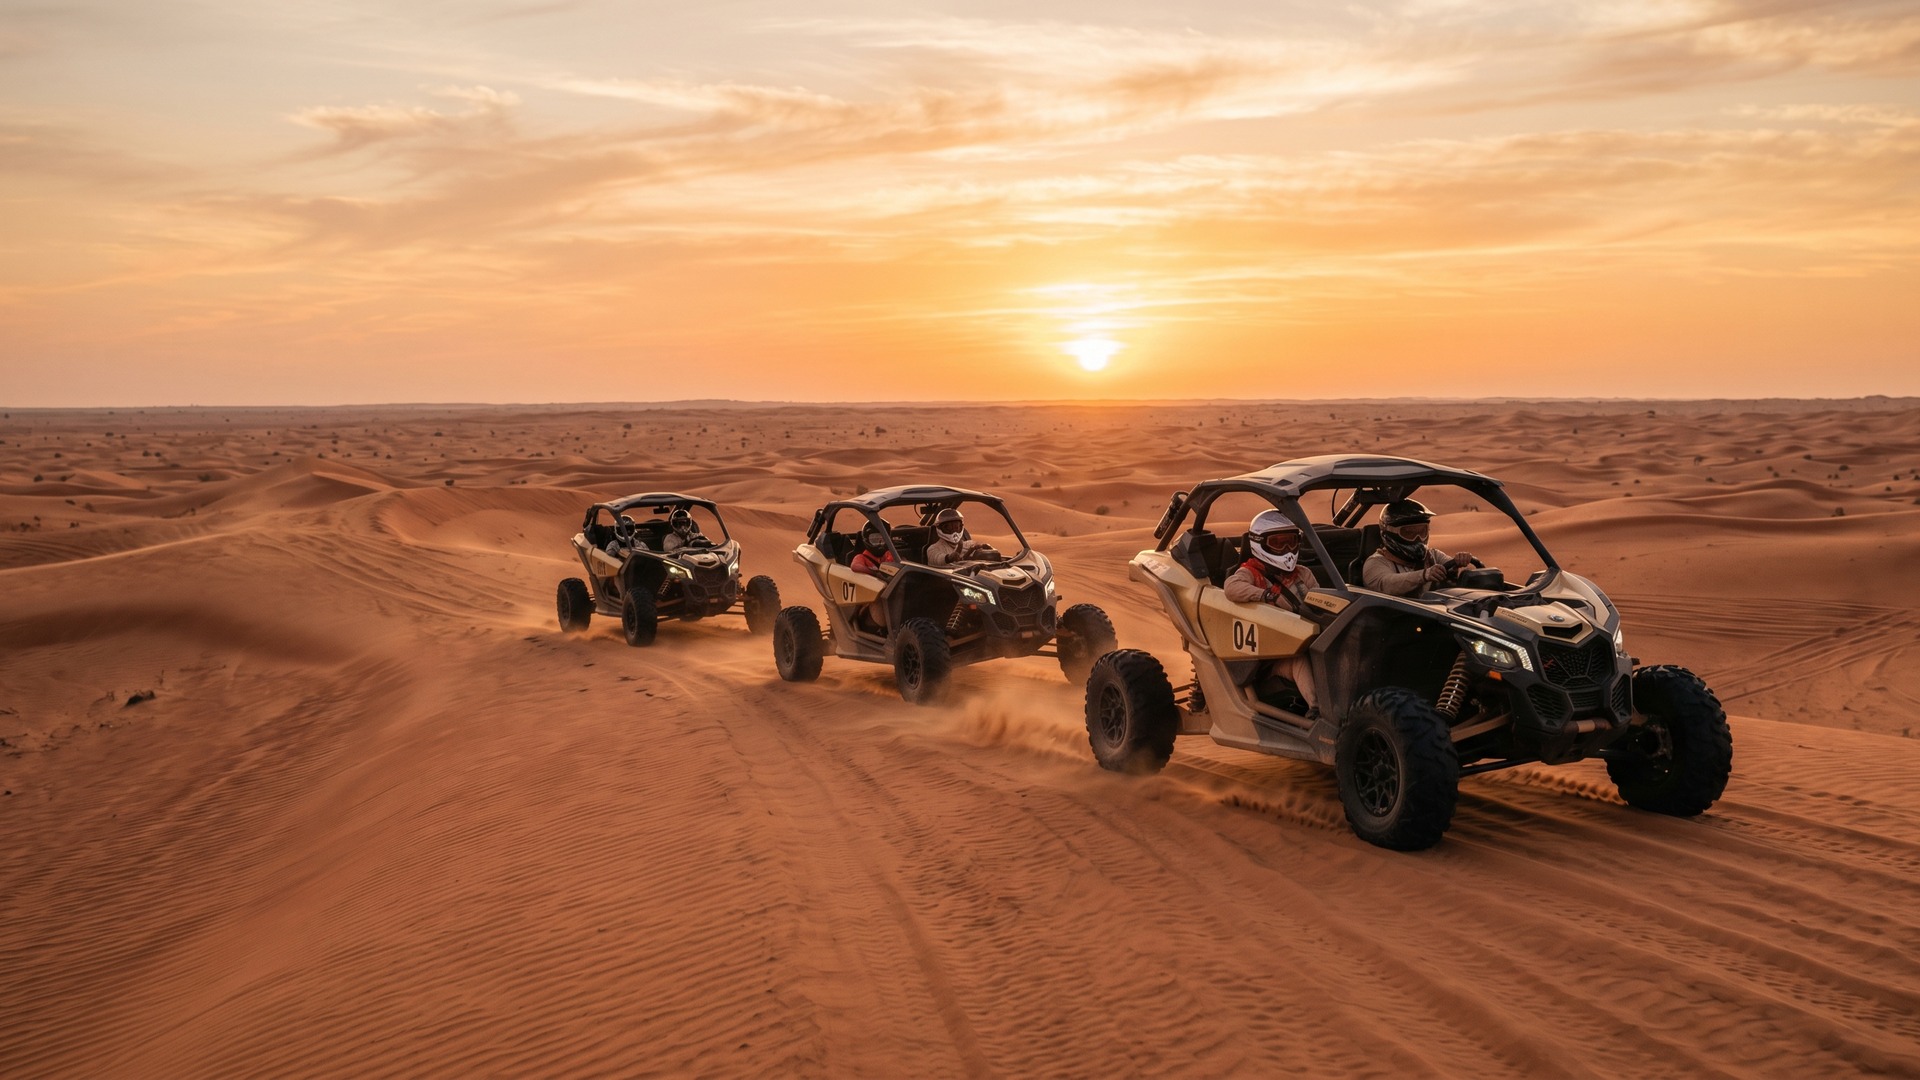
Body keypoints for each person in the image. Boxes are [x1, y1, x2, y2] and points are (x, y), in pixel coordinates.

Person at [1222, 509, 1318, 715]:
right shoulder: (1250, 572)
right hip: (1271, 655)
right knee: (1297, 659)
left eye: (1291, 542)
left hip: (1305, 638)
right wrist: (1267, 596)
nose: (1286, 549)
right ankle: (1317, 711)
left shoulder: (1303, 573)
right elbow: (1231, 587)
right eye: (1278, 543)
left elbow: (1320, 601)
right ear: (1259, 543)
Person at [1362, 498, 1474, 597]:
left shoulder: (1433, 556)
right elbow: (1388, 584)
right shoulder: (1375, 563)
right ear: (1389, 533)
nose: (1418, 538)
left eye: (1422, 531)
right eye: (1409, 532)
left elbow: (1449, 565)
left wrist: (1459, 561)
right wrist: (1424, 575)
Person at [924, 508, 990, 567]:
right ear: (939, 528)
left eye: (957, 527)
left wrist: (983, 547)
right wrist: (949, 558)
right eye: (948, 528)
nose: (954, 531)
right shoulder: (933, 549)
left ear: (961, 527)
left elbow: (979, 548)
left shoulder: (969, 544)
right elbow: (937, 559)